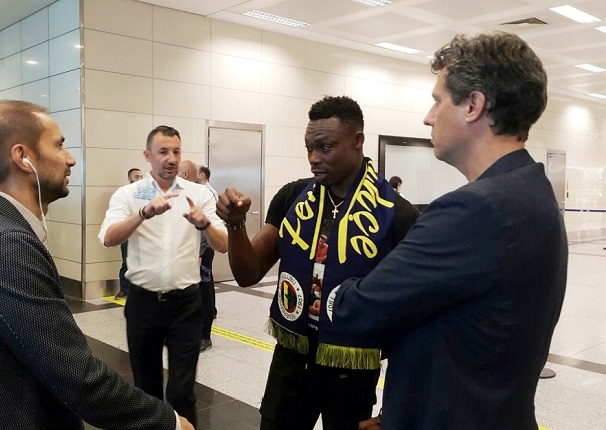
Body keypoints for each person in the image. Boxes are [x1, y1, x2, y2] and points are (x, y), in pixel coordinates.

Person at [331, 32, 567, 429]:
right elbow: (471, 330)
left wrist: (338, 286)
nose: (428, 116)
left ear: (473, 105)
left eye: (437, 100)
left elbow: (355, 312)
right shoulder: (535, 192)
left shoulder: (472, 210)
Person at [0, 101, 193, 430]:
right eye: (59, 145)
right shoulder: (5, 245)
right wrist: (170, 422)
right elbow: (77, 376)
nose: (70, 158)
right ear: (22, 157)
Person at [215, 95, 419, 430]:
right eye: (309, 148)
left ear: (358, 141)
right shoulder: (294, 197)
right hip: (291, 360)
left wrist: (393, 409)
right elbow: (248, 273)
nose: (313, 158)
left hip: (352, 367)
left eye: (325, 147)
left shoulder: (397, 215)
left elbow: (412, 323)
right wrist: (236, 225)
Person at [98, 125, 228, 426]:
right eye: (163, 152)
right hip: (143, 303)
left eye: (176, 151)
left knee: (183, 392)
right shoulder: (129, 194)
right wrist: (142, 214)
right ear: (148, 156)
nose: (171, 158)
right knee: (147, 390)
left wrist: (204, 223)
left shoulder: (197, 194)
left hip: (186, 305)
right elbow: (108, 237)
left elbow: (222, 245)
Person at [197, 164, 219, 333]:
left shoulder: (206, 193)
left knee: (205, 285)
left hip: (203, 248)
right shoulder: (199, 191)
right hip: (201, 248)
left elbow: (207, 226)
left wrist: (199, 252)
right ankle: (211, 312)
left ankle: (205, 332)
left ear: (202, 175)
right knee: (207, 282)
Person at [116, 167, 144, 299]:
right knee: (126, 261)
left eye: (141, 176)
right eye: (136, 176)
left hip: (143, 234)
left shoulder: (146, 195)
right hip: (128, 234)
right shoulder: (124, 195)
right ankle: (124, 289)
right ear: (129, 178)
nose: (139, 179)